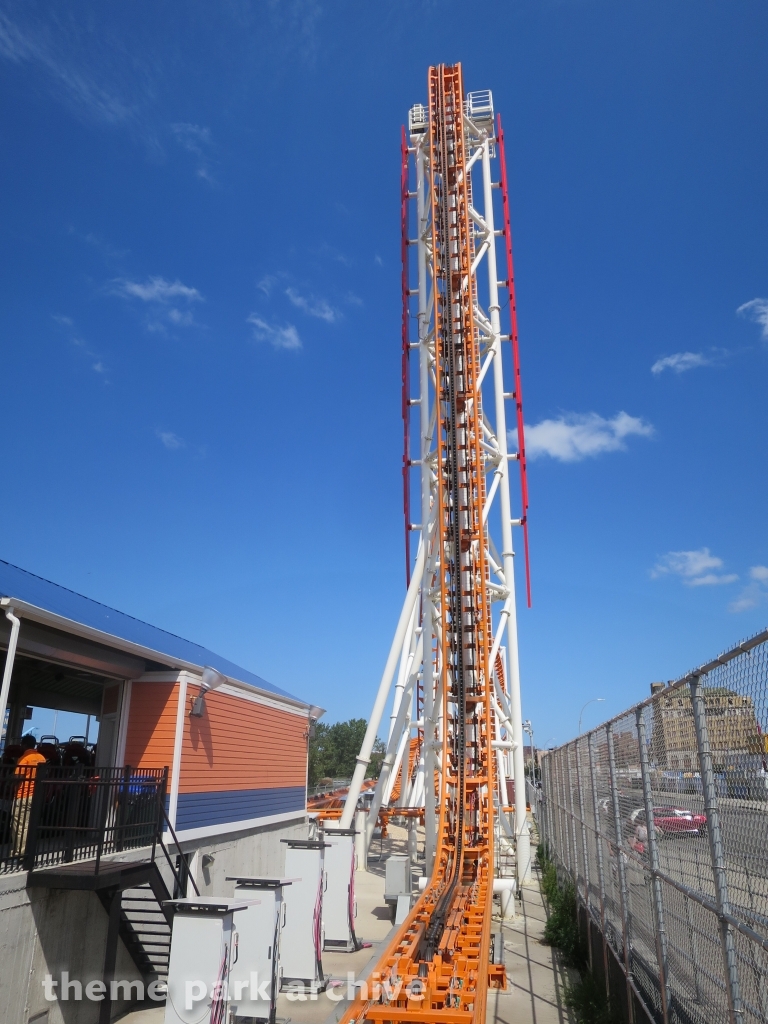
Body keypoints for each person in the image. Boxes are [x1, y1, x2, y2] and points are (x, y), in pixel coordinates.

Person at [11, 735, 46, 858]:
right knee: (30, 825)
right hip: (36, 796)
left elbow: (18, 778)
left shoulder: (24, 759)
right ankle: (28, 851)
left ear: (24, 745)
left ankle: (20, 853)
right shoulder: (42, 758)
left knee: (19, 826)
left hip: (23, 795)